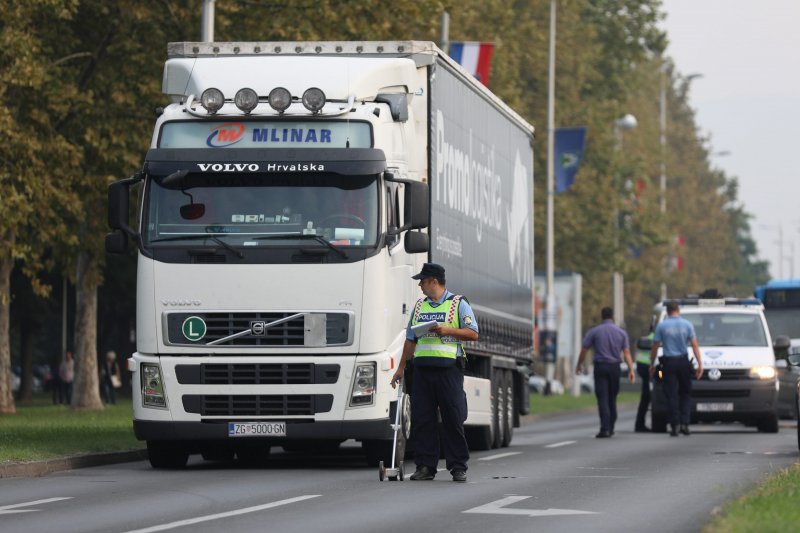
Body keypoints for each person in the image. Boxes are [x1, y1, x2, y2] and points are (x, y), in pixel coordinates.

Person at [390, 263, 479, 483]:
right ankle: (425, 466)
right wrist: (400, 368)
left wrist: (447, 330)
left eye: (422, 280)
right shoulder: (419, 307)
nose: (419, 285)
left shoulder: (458, 304)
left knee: (452, 418)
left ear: (434, 281)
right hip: (422, 370)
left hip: (449, 369)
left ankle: (458, 467)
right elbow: (410, 340)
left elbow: (473, 333)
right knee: (423, 419)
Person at [575, 307, 636, 438]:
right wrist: (631, 370)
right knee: (612, 398)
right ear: (612, 316)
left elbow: (584, 350)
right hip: (615, 367)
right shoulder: (621, 333)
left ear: (602, 316)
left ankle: (605, 428)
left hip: (600, 367)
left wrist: (579, 365)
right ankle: (611, 425)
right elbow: (626, 353)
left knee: (602, 398)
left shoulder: (594, 332)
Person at [649, 300, 703, 437]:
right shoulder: (687, 325)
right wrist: (700, 363)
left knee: (671, 394)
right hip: (683, 361)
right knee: (685, 393)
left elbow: (655, 346)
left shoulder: (662, 326)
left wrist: (652, 364)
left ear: (667, 311)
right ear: (678, 310)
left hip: (669, 363)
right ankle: (685, 423)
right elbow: (694, 345)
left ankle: (675, 425)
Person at [634, 332, 654, 432]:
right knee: (647, 396)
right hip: (651, 368)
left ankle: (639, 424)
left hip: (643, 367)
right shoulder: (661, 334)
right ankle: (639, 425)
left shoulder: (650, 335)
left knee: (645, 397)